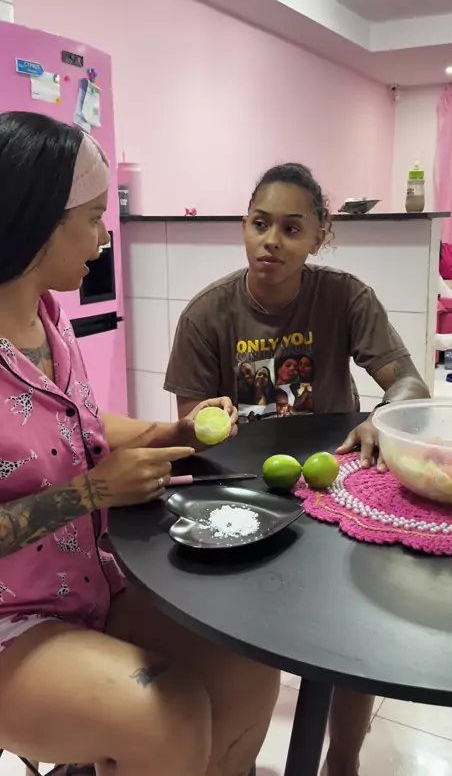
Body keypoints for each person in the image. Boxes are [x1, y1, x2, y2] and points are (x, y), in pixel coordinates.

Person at [0, 112, 279, 776]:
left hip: (95, 584)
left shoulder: (48, 318)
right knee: (166, 714)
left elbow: (82, 423)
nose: (104, 236)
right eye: (93, 217)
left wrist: (171, 431)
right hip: (12, 621)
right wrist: (90, 493)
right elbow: (78, 474)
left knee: (248, 664)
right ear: (40, 222)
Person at [165, 162, 430, 776]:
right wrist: (205, 419)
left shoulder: (344, 297)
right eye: (260, 224)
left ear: (318, 236)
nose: (271, 241)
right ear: (244, 225)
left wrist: (383, 416)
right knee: (239, 641)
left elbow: (410, 384)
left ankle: (343, 760)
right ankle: (236, 758)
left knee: (354, 636)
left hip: (335, 493)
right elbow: (190, 429)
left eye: (291, 228)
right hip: (241, 501)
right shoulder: (207, 315)